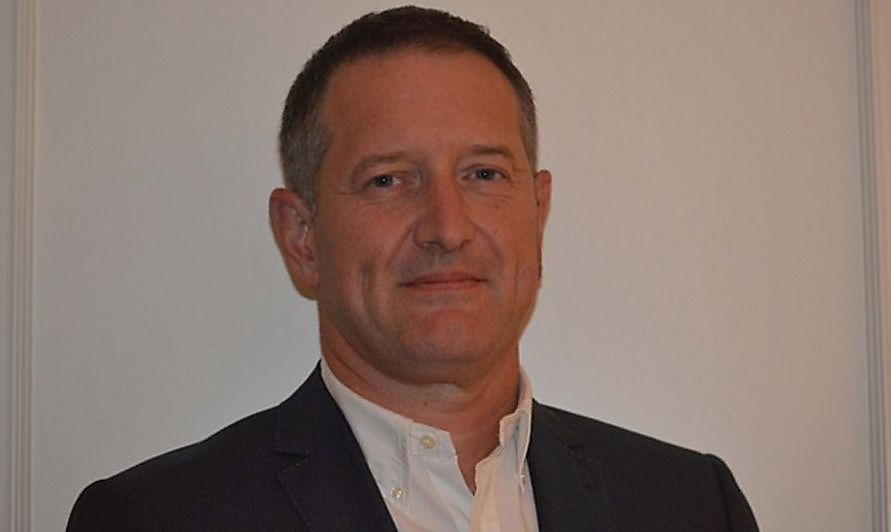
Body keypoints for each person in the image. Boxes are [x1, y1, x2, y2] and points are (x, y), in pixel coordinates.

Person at [67, 6, 758, 531]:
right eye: (388, 180)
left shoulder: (691, 504)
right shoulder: (157, 518)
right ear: (302, 238)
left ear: (537, 212)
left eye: (484, 173)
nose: (447, 229)